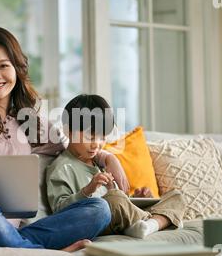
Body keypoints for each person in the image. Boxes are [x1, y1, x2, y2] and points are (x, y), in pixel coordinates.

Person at [0, 27, 130, 252]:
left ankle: (21, 248)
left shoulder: (31, 122)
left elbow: (71, 145)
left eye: (3, 66)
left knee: (99, 209)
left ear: (17, 68)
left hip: (11, 231)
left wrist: (107, 157)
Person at [47, 94, 186, 239]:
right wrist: (88, 190)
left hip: (121, 213)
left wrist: (134, 198)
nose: (97, 144)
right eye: (91, 137)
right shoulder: (61, 169)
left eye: (102, 137)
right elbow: (59, 212)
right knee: (114, 199)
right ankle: (160, 220)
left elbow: (120, 201)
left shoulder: (98, 161)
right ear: (68, 131)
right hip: (99, 220)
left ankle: (148, 224)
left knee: (177, 196)